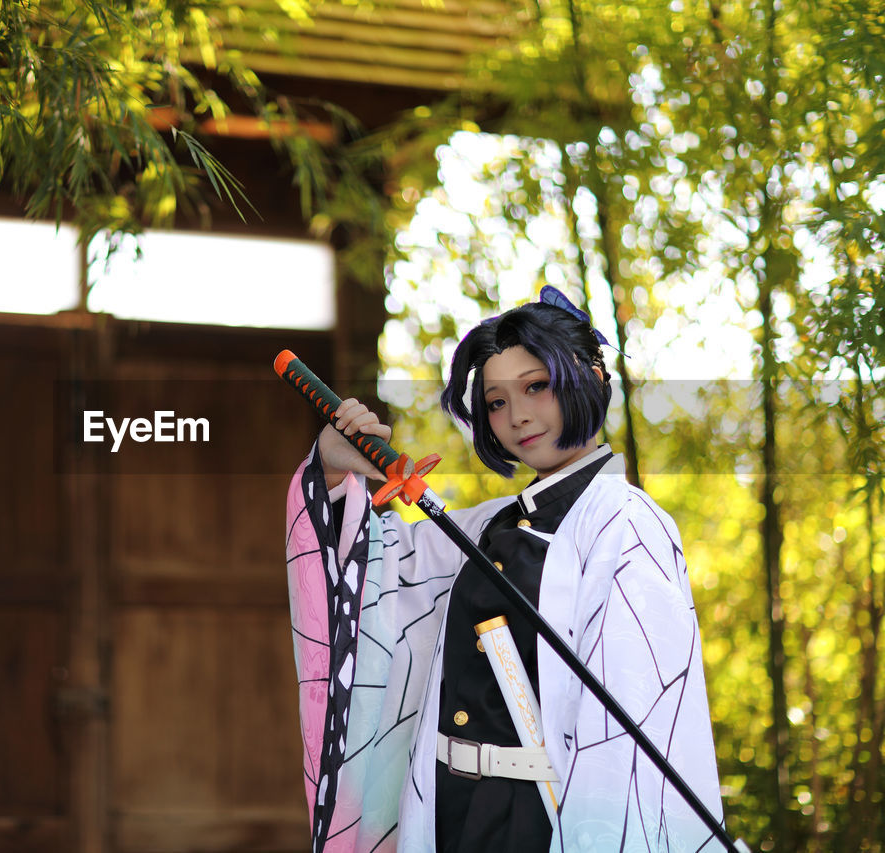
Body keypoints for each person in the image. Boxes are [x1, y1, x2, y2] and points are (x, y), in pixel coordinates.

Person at [284, 289, 723, 853]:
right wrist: (332, 469)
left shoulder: (626, 525)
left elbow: (629, 741)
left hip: (540, 818)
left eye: (536, 386)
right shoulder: (493, 523)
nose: (517, 415)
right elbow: (377, 577)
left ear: (589, 379)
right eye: (495, 401)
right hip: (450, 810)